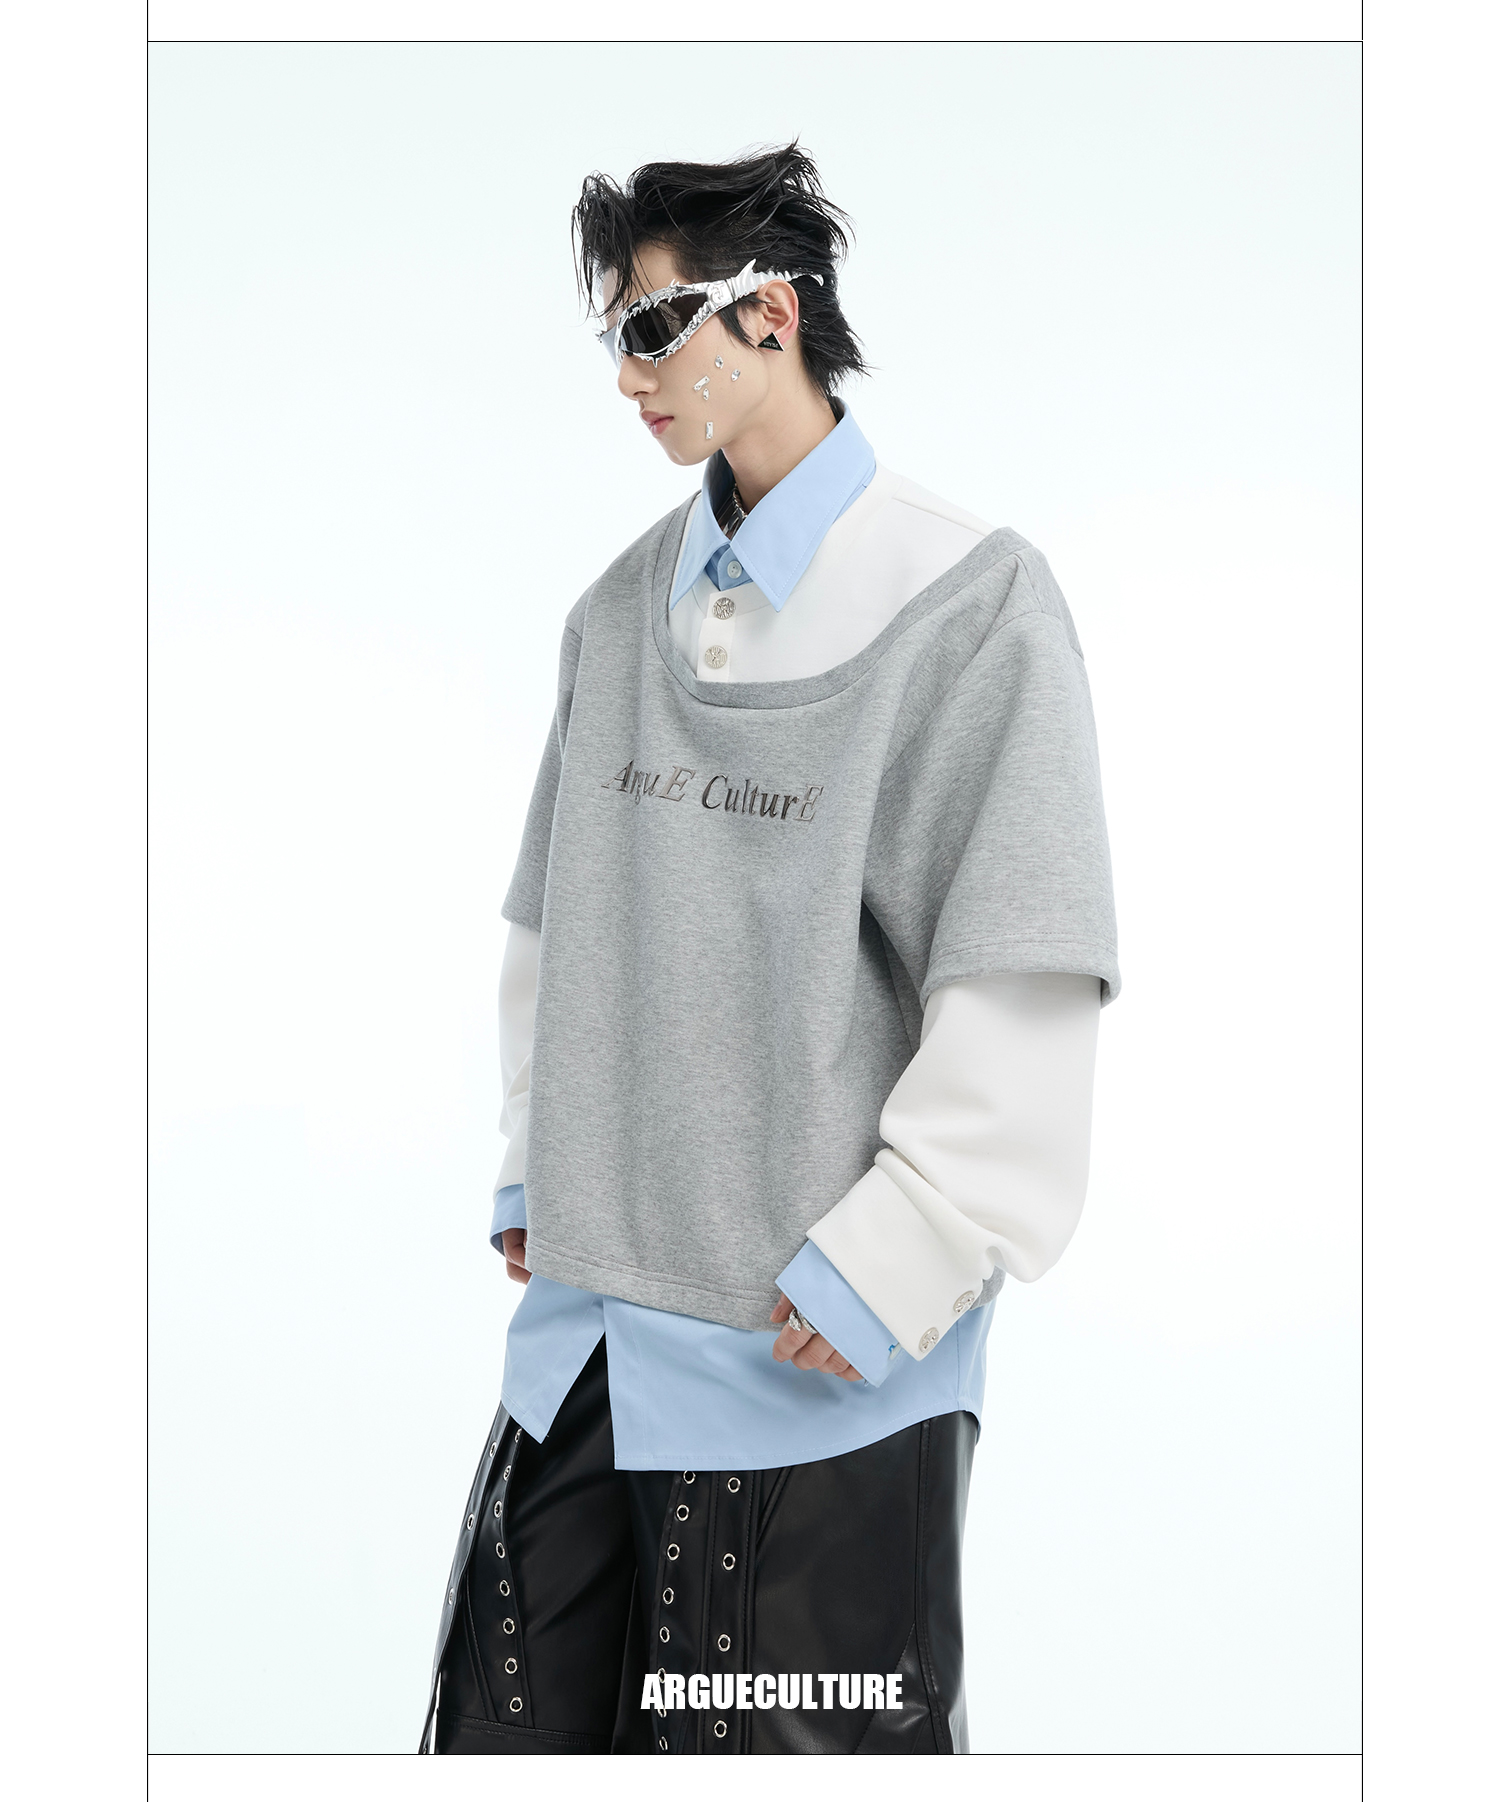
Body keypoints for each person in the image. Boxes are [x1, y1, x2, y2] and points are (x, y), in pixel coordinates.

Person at [420, 143, 1119, 1757]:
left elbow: (1022, 961)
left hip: (818, 1373)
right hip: (582, 1356)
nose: (629, 377)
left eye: (653, 330)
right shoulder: (617, 613)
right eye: (615, 339)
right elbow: (554, 916)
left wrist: (909, 1246)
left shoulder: (969, 603)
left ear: (773, 317)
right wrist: (537, 1160)